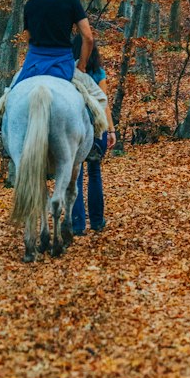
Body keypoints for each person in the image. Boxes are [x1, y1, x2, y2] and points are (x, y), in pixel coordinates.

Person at [13, 0, 93, 85]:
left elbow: (28, 38)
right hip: (63, 62)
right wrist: (82, 66)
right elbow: (88, 37)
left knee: (10, 94)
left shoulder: (30, 4)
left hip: (34, 62)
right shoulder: (71, 1)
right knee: (94, 96)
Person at [70, 35, 116, 234]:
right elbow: (104, 105)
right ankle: (97, 221)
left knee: (76, 176)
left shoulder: (68, 72)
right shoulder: (98, 73)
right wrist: (111, 130)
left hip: (75, 130)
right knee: (95, 174)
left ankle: (78, 224)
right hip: (97, 129)